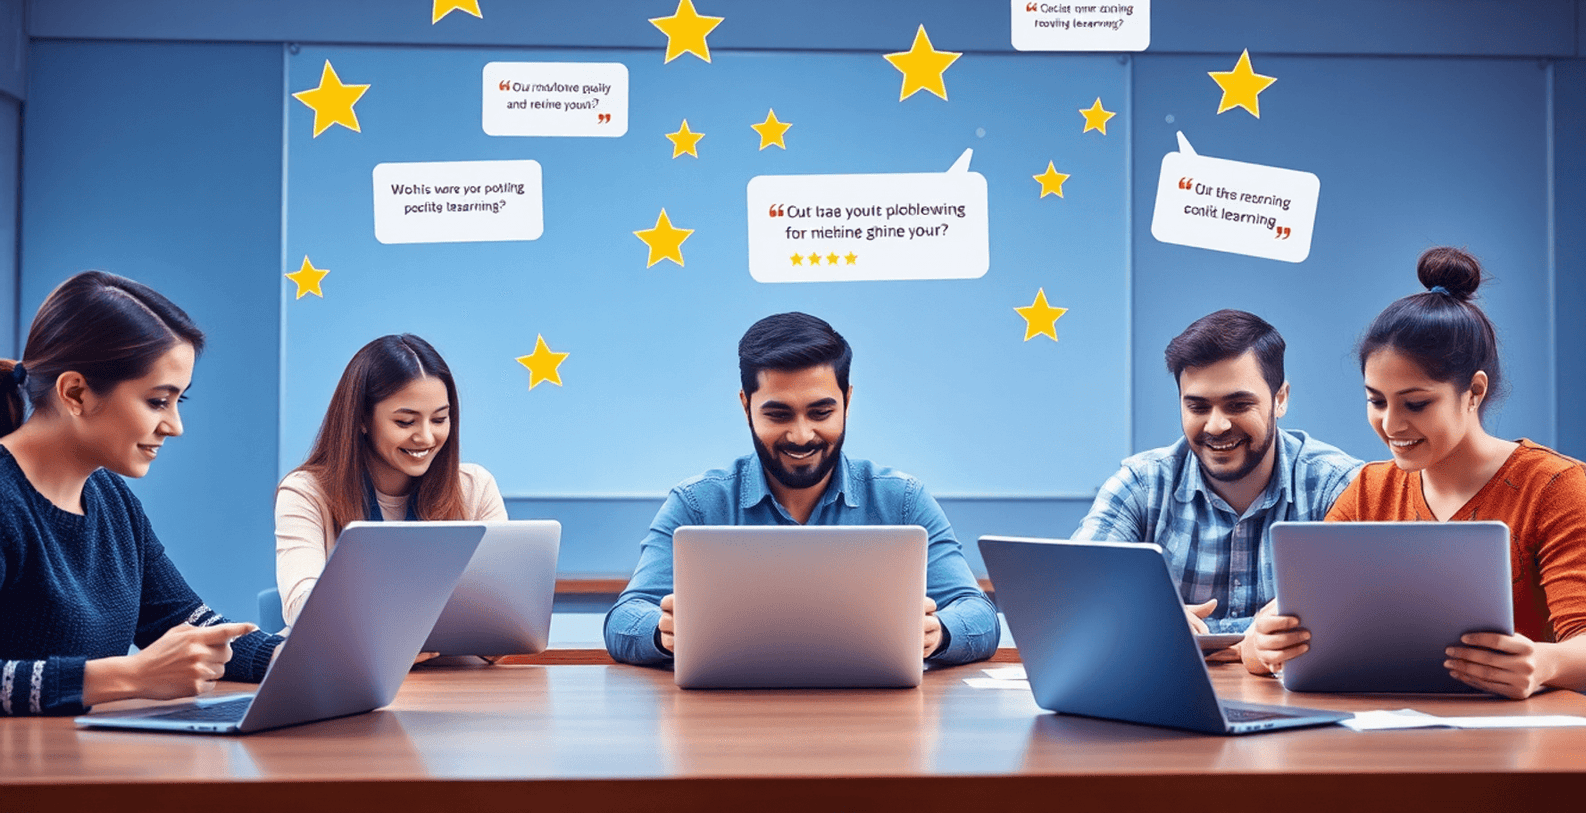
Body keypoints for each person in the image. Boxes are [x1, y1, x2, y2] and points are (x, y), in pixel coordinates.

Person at [1242, 247, 1586, 698]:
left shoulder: (1552, 485)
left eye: (1415, 404)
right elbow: (1281, 624)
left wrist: (1544, 664)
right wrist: (1260, 646)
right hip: (1384, 724)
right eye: (1376, 401)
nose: (1391, 425)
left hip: (1519, 727)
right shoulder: (1370, 489)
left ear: (1474, 391)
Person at [604, 311, 999, 667]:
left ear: (847, 401)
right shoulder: (697, 504)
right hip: (734, 713)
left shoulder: (902, 501)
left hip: (873, 712)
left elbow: (979, 615)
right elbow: (624, 619)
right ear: (746, 407)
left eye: (820, 412)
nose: (801, 435)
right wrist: (662, 632)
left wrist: (939, 633)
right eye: (778, 414)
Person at [0, 271, 281, 716]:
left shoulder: (112, 498)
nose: (175, 426)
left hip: (81, 755)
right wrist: (130, 676)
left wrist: (303, 659)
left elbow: (186, 622)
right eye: (157, 401)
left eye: (178, 401)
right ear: (75, 393)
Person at [1072, 309, 1361, 635]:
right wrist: (1146, 616)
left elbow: (1369, 618)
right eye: (1197, 407)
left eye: (1238, 405)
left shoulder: (1339, 486)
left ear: (1280, 400)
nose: (1216, 425)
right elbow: (1075, 600)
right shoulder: (1140, 486)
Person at [275, 333, 506, 626]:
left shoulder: (475, 487)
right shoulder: (305, 492)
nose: (426, 437)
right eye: (405, 422)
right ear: (361, 419)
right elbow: (301, 607)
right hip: (348, 655)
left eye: (439, 419)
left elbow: (504, 602)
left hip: (452, 655)